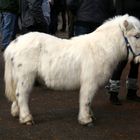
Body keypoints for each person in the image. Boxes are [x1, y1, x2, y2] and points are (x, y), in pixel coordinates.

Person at [107, 0, 140, 105]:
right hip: (126, 35)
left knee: (136, 63)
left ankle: (131, 92)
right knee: (121, 63)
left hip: (138, 35)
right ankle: (113, 93)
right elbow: (118, 15)